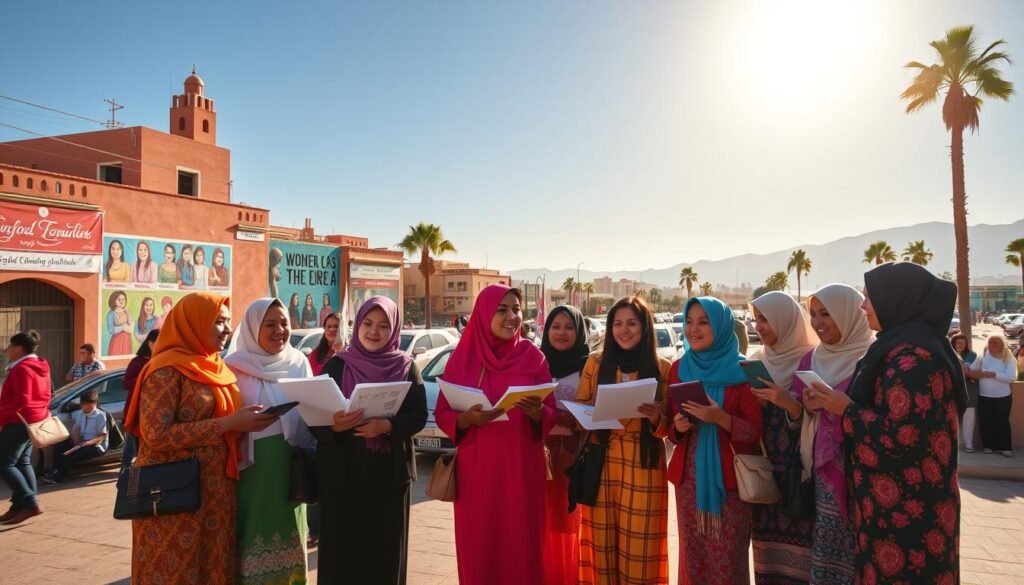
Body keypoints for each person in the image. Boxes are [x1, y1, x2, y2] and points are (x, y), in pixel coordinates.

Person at [809, 262, 966, 584]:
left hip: (908, 517)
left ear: (897, 300)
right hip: (899, 508)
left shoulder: (912, 358)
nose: (862, 305)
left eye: (869, 296)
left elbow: (902, 437)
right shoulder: (902, 345)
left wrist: (846, 410)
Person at [124, 292, 277, 585]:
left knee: (213, 569)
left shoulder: (216, 366)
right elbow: (156, 435)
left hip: (216, 494)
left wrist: (245, 420)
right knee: (173, 573)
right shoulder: (166, 370)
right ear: (193, 323)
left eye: (228, 322)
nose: (227, 329)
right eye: (218, 322)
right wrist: (227, 423)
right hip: (172, 495)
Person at [434, 284, 555, 585]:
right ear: (483, 313)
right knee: (480, 550)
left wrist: (538, 414)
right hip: (478, 476)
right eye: (502, 309)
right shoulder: (463, 359)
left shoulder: (533, 357)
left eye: (516, 309)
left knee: (523, 550)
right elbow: (442, 413)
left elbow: (551, 412)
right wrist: (465, 419)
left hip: (523, 472)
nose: (511, 316)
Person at [314, 296, 427, 585]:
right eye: (367, 323)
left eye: (383, 325)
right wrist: (335, 426)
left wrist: (387, 426)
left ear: (394, 330)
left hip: (387, 478)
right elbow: (313, 419)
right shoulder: (337, 366)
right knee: (343, 555)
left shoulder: (406, 366)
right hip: (344, 477)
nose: (373, 332)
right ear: (357, 324)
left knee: (384, 556)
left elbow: (418, 415)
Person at [575, 295, 671, 585]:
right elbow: (578, 411)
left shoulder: (663, 368)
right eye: (617, 323)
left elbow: (669, 428)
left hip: (645, 467)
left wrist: (656, 417)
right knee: (602, 546)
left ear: (645, 327)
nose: (624, 330)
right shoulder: (595, 362)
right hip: (601, 465)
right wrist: (593, 405)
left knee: (641, 550)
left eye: (631, 323)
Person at [667, 296, 763, 585]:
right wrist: (679, 426)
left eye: (703, 322)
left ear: (721, 326)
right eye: (689, 321)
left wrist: (720, 417)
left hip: (729, 488)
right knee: (692, 559)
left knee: (727, 563)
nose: (693, 329)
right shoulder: (679, 368)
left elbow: (755, 431)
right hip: (688, 484)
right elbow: (672, 430)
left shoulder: (743, 371)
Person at [225, 298, 316, 584]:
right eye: (270, 324)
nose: (280, 330)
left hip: (291, 467)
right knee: (251, 535)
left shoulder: (298, 362)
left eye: (285, 323)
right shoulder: (232, 369)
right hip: (248, 471)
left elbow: (314, 409)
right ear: (253, 328)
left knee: (290, 534)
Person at [788, 284, 873, 585]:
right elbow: (798, 412)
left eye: (826, 314)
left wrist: (841, 409)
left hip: (865, 471)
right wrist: (810, 407)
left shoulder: (872, 359)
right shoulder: (811, 360)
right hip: (822, 471)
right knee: (827, 545)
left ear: (848, 314)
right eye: (813, 314)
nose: (818, 322)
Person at [746, 292, 817, 585]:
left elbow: (818, 422)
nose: (760, 326)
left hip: (798, 473)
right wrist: (758, 407)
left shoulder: (811, 361)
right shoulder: (757, 360)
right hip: (765, 475)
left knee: (803, 558)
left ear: (786, 321)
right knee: (766, 558)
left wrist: (786, 402)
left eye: (767, 319)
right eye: (757, 319)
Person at [539, 305, 590, 585]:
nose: (561, 332)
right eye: (556, 326)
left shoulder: (590, 365)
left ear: (579, 330)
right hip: (541, 458)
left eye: (569, 327)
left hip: (577, 458)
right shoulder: (534, 362)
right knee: (542, 522)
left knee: (572, 523)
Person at [0, 331, 50, 525]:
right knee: (22, 461)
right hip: (33, 419)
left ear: (19, 348)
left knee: (4, 462)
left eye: (10, 347)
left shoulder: (22, 368)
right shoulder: (39, 366)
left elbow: (23, 398)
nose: (8, 351)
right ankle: (19, 506)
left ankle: (30, 503)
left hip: (20, 420)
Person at [42, 389, 108, 485]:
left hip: (95, 446)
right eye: (82, 404)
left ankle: (58, 478)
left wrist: (86, 443)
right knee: (60, 445)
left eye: (86, 405)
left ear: (93, 404)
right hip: (82, 442)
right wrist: (76, 441)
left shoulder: (100, 416)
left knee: (72, 454)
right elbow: (76, 429)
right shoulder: (81, 413)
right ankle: (55, 470)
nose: (83, 407)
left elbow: (101, 436)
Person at [969, 334, 1018, 457]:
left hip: (1003, 396)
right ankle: (987, 445)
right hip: (984, 395)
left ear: (1002, 344)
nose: (992, 345)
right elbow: (972, 370)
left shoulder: (1008, 358)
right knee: (985, 421)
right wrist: (979, 373)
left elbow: (1011, 377)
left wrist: (994, 374)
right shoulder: (982, 356)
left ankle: (1005, 447)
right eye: (990, 342)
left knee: (1002, 422)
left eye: (995, 342)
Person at [122, 328, 159, 469]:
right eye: (158, 342)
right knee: (130, 451)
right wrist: (145, 378)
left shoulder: (162, 360)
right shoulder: (138, 362)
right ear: (150, 343)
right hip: (136, 411)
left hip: (154, 413)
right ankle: (125, 476)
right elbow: (126, 383)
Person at [950, 332, 980, 452]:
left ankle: (968, 444)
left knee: (969, 417)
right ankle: (954, 445)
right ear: (953, 343)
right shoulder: (948, 354)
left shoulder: (972, 355)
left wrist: (963, 370)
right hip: (952, 390)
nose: (961, 345)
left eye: (963, 342)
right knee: (952, 417)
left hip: (969, 390)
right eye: (958, 342)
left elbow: (970, 372)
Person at [106, 291, 133, 356]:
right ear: (113, 300)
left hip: (127, 341)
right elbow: (111, 330)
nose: (122, 301)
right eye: (119, 299)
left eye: (123, 299)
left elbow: (131, 327)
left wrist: (129, 327)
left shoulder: (127, 312)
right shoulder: (111, 314)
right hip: (116, 341)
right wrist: (123, 327)